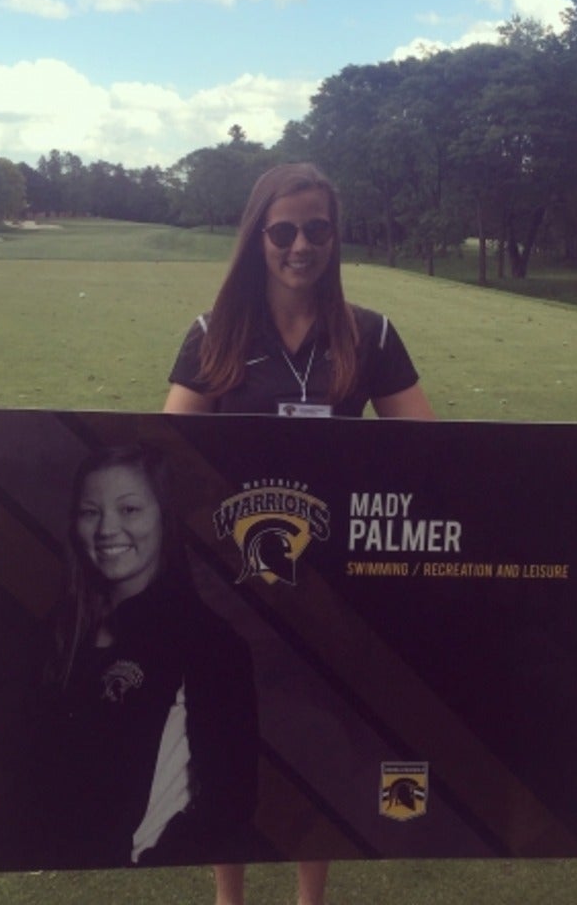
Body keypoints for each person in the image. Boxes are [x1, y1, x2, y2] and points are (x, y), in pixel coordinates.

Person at [164, 162, 435, 905]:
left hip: (328, 585)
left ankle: (309, 900)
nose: (300, 246)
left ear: (335, 236)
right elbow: (165, 455)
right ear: (258, 237)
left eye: (317, 229)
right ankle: (229, 899)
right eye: (283, 231)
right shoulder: (213, 337)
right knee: (227, 741)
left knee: (319, 742)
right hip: (229, 587)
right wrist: (18, 466)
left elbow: (438, 455)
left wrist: (564, 484)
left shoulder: (370, 335)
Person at [0, 443, 258, 870]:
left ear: (165, 517)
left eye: (129, 509)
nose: (107, 529)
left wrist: (148, 870)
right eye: (90, 512)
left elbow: (230, 804)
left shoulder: (210, 644)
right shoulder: (56, 632)